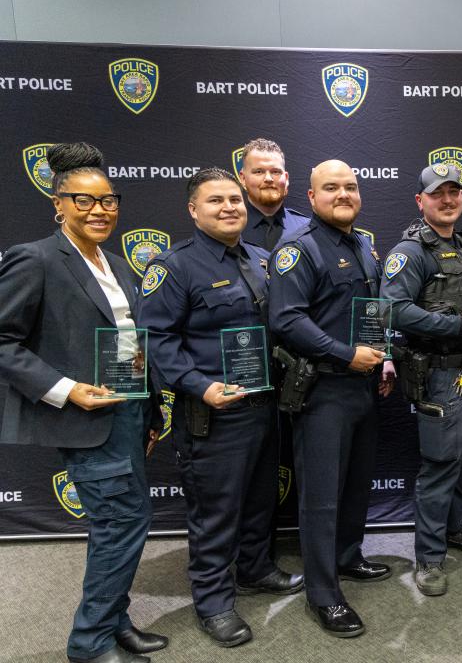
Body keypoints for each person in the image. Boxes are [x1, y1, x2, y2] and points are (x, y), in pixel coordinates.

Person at [0, 142, 165, 663]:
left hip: (128, 414)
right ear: (58, 204)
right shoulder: (36, 258)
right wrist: (66, 389)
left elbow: (129, 341)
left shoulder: (114, 264)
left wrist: (151, 407)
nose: (100, 211)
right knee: (122, 523)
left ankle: (114, 620)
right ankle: (89, 642)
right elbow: (4, 341)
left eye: (108, 201)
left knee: (120, 523)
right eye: (84, 201)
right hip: (84, 417)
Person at [137, 168, 302, 648]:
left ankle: (255, 569)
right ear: (194, 210)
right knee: (215, 513)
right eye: (216, 201)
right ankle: (213, 602)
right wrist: (199, 386)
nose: (230, 207)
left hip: (264, 404)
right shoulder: (174, 267)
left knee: (258, 500)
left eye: (235, 199)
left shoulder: (261, 258)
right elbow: (156, 342)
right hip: (213, 413)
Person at [268, 160, 395, 636]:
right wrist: (346, 355)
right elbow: (286, 319)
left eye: (351, 186)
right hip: (322, 389)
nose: (343, 194)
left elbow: (368, 310)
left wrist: (381, 358)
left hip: (364, 384)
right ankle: (322, 594)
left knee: (356, 484)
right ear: (312, 194)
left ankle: (347, 557)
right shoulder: (297, 250)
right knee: (320, 498)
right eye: (332, 187)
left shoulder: (362, 243)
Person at [381, 164, 462, 596]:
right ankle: (429, 558)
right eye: (437, 194)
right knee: (439, 468)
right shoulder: (410, 252)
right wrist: (455, 327)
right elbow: (391, 310)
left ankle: (453, 530)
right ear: (420, 201)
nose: (447, 200)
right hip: (443, 376)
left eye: (454, 192)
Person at [238, 138, 309, 251]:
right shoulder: (228, 228)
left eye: (275, 172)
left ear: (286, 179)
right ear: (242, 178)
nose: (268, 179)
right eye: (259, 172)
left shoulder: (307, 228)